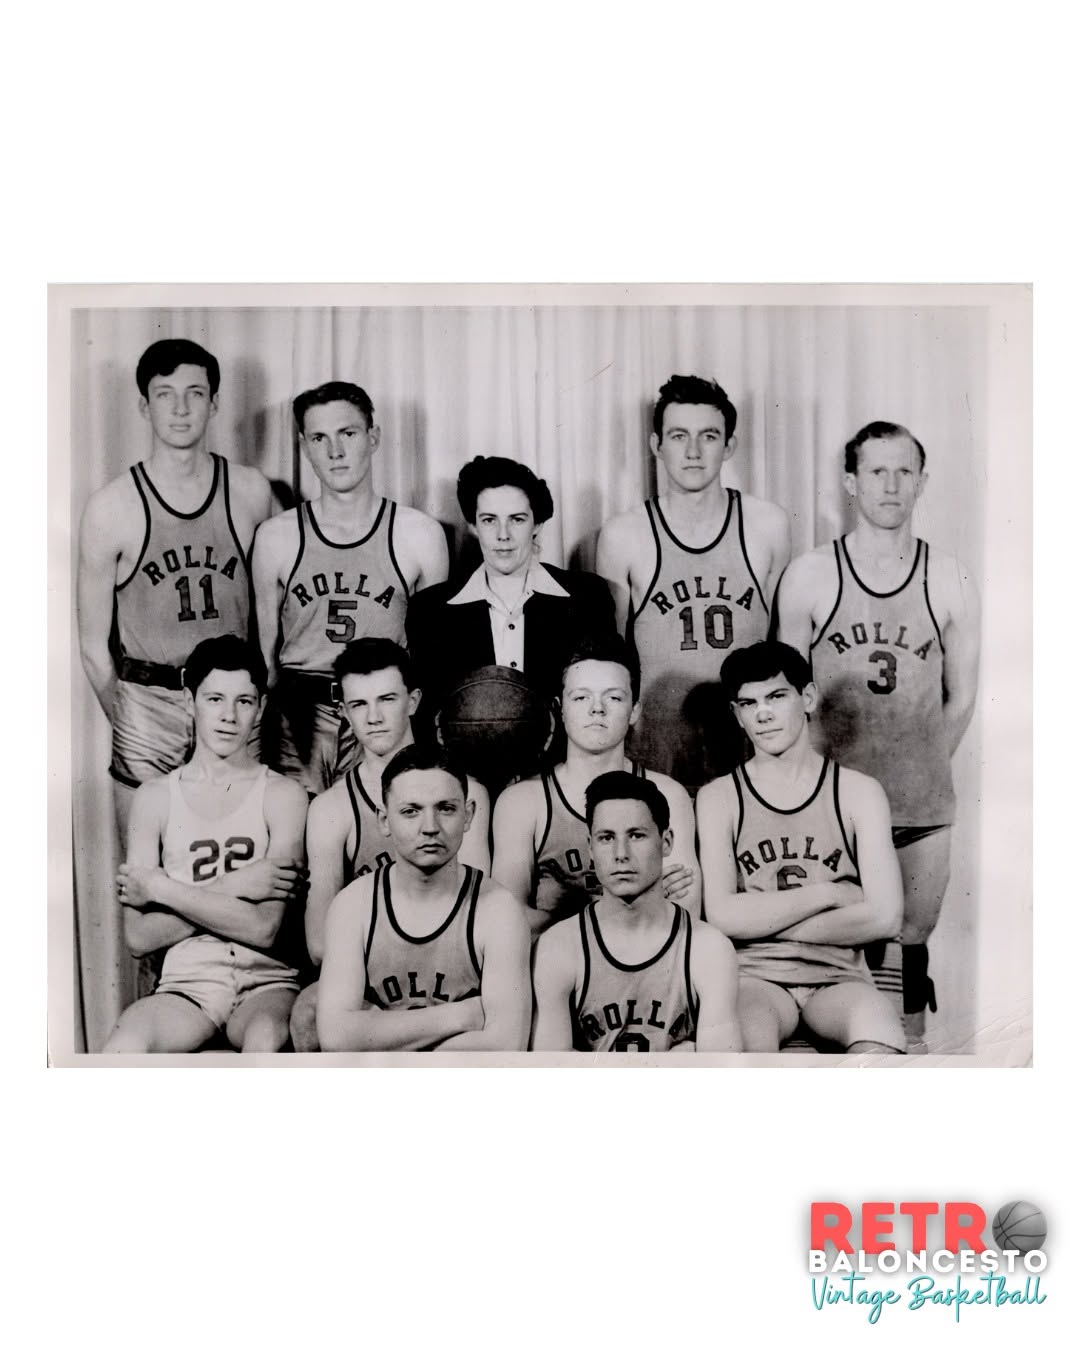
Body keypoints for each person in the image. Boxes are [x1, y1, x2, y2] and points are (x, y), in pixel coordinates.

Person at [774, 422, 980, 1049]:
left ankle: (909, 1055)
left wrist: (919, 768)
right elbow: (787, 700)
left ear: (922, 481)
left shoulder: (948, 576)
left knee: (910, 942)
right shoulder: (810, 573)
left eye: (903, 472)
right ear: (850, 482)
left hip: (920, 803)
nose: (890, 485)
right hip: (830, 803)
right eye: (875, 472)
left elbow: (963, 695)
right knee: (829, 948)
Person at [77, 338, 275, 844]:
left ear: (215, 402)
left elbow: (279, 610)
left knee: (242, 856)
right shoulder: (112, 506)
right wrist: (134, 713)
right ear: (144, 405)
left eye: (195, 393)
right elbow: (93, 649)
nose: (181, 408)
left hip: (233, 700)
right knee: (150, 872)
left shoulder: (251, 492)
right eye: (166, 394)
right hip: (150, 701)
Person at [695, 641, 906, 1054]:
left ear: (807, 698)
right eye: (748, 703)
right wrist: (831, 894)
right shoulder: (719, 797)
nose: (763, 713)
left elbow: (886, 917)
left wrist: (762, 919)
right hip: (755, 978)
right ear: (736, 714)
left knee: (880, 1032)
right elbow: (720, 915)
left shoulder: (858, 792)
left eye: (776, 696)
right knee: (742, 1038)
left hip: (839, 979)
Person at [103, 636, 309, 1053]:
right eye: (214, 699)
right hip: (187, 987)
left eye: (244, 701)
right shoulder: (155, 797)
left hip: (267, 983)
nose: (229, 717)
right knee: (125, 1045)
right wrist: (239, 884)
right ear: (188, 700)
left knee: (265, 1042)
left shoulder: (283, 794)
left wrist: (163, 890)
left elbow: (264, 928)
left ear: (261, 707)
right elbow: (140, 937)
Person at [289, 637, 491, 1050]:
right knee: (310, 1012)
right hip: (376, 982)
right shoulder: (332, 808)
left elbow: (475, 910)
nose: (374, 717)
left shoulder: (466, 793)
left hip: (456, 976)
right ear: (343, 711)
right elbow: (319, 944)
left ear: (413, 700)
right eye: (359, 705)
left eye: (387, 699)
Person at [252, 380, 448, 796]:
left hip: (383, 715)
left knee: (380, 845)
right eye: (320, 438)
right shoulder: (275, 536)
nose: (335, 452)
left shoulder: (418, 534)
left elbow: (432, 663)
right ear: (304, 446)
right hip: (300, 719)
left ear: (373, 437)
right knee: (299, 847)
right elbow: (267, 660)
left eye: (348, 434)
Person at [596, 374, 790, 791]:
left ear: (729, 446)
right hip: (657, 753)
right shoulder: (624, 534)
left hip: (747, 752)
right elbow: (611, 663)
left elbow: (779, 645)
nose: (693, 451)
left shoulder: (766, 525)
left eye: (709, 436)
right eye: (679, 435)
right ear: (657, 446)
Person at [316, 745, 530, 1051]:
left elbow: (505, 1044)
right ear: (384, 820)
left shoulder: (498, 909)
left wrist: (378, 1033)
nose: (430, 827)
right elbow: (337, 1038)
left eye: (446, 808)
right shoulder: (353, 905)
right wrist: (462, 1015)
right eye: (410, 811)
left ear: (468, 815)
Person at [492, 634, 700, 938]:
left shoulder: (668, 794)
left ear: (634, 711)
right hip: (558, 974)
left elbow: (685, 915)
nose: (597, 709)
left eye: (613, 697)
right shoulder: (523, 801)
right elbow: (506, 918)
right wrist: (633, 906)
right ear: (559, 709)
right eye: (581, 697)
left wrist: (558, 915)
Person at [406, 455, 616, 747]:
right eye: (489, 520)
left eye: (517, 519)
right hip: (469, 775)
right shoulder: (430, 610)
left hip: (560, 772)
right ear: (472, 526)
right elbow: (428, 716)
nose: (503, 535)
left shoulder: (586, 598)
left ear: (537, 524)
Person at [531, 771, 741, 1052]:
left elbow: (722, 1078)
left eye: (637, 835)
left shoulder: (708, 949)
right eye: (606, 837)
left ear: (666, 842)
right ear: (590, 847)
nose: (621, 853)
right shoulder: (559, 947)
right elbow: (550, 1078)